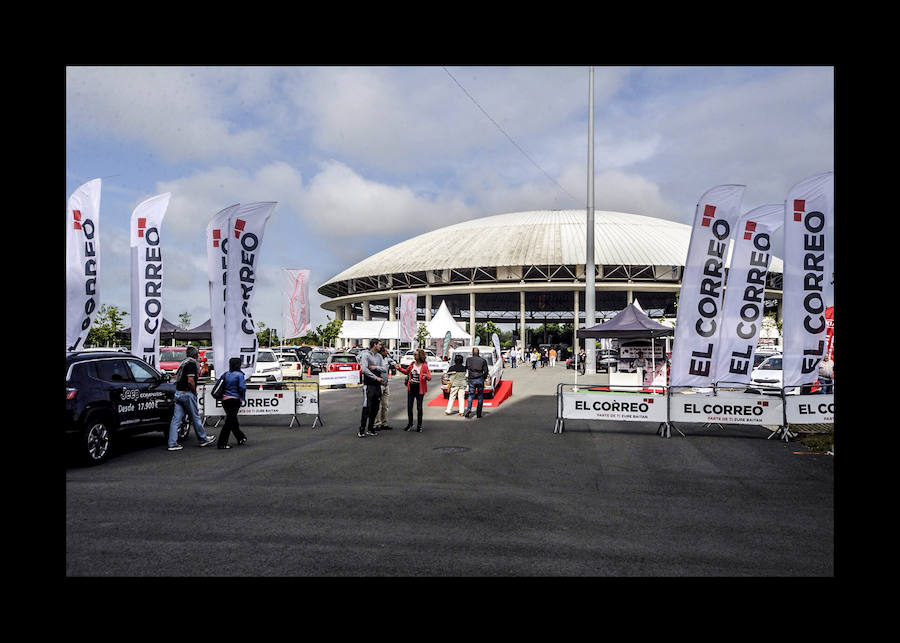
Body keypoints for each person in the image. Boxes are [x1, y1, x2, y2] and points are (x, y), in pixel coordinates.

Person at [167, 346, 216, 450]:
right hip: (187, 393)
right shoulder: (191, 363)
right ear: (195, 354)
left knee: (176, 419)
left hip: (178, 393)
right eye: (197, 354)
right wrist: (194, 392)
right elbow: (190, 380)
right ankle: (203, 439)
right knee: (195, 417)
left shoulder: (184, 362)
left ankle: (172, 443)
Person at [397, 348, 432, 431]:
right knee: (409, 406)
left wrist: (426, 376)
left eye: (415, 354)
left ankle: (419, 426)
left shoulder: (424, 365)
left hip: (420, 388)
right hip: (411, 387)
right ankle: (410, 424)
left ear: (420, 356)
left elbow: (429, 377)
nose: (414, 356)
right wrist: (399, 368)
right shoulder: (412, 364)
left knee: (419, 408)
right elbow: (406, 372)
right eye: (414, 354)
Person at [358, 338, 386, 438]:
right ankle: (362, 429)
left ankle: (371, 428)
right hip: (368, 385)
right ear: (374, 345)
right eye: (379, 344)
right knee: (367, 407)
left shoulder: (379, 356)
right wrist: (375, 377)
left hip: (377, 386)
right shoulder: (366, 355)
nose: (380, 346)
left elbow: (384, 368)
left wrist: (375, 367)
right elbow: (364, 369)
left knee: (375, 407)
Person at [217, 357, 247, 449]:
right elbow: (242, 387)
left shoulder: (225, 374)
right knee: (229, 422)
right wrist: (242, 398)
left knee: (232, 419)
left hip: (225, 400)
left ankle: (240, 437)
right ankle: (222, 443)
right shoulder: (239, 375)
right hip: (235, 399)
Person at [373, 345, 396, 430]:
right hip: (379, 384)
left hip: (386, 385)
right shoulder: (376, 360)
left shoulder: (386, 359)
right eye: (386, 351)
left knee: (385, 405)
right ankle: (376, 423)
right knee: (377, 405)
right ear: (382, 352)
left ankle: (384, 423)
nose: (387, 352)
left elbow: (393, 363)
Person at [463, 347, 489, 418]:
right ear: (479, 353)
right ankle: (478, 413)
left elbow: (467, 368)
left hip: (472, 378)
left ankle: (468, 408)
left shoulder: (468, 360)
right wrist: (484, 378)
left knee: (471, 395)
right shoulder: (483, 360)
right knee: (480, 396)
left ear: (472, 352)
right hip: (480, 378)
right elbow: (486, 371)